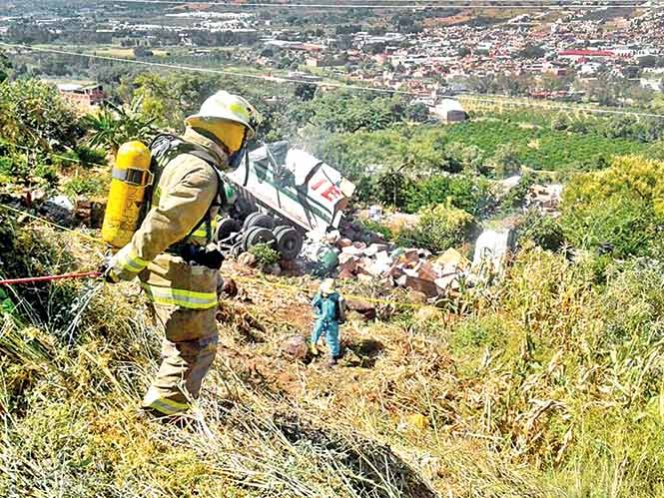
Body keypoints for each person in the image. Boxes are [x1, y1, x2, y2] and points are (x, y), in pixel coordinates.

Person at [103, 91, 260, 417]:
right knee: (195, 348)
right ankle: (161, 418)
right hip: (177, 274)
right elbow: (164, 225)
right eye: (242, 135)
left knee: (179, 343)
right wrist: (126, 264)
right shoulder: (200, 173)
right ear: (231, 132)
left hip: (164, 269)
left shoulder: (178, 158)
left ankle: (161, 409)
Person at [310, 278, 346, 367]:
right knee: (316, 331)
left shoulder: (337, 297)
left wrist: (342, 318)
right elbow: (313, 304)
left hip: (332, 321)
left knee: (332, 338)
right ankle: (313, 344)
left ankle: (334, 356)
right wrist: (319, 296)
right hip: (321, 318)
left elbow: (341, 309)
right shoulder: (320, 296)